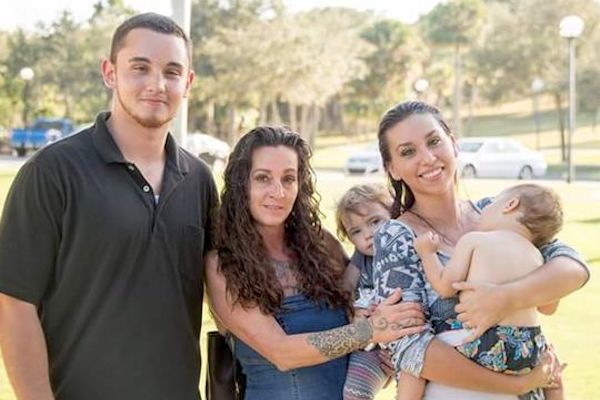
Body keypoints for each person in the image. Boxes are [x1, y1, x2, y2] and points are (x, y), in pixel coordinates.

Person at [0, 13, 218, 400]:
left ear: (188, 83)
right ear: (109, 72)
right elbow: (14, 302)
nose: (157, 84)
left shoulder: (199, 180)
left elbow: (227, 292)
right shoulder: (52, 172)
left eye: (171, 71)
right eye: (140, 68)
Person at [372, 100, 590, 400]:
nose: (428, 157)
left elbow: (572, 268)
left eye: (434, 141)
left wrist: (504, 297)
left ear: (454, 143)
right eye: (408, 152)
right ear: (392, 169)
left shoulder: (499, 212)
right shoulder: (397, 236)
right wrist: (516, 386)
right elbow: (410, 348)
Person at [205, 125, 426, 400]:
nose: (279, 192)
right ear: (242, 185)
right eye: (262, 178)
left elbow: (367, 305)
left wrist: (387, 356)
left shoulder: (321, 245)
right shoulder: (223, 266)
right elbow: (282, 353)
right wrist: (371, 330)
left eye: (289, 178)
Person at [408, 183, 565, 400]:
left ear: (510, 205)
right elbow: (548, 307)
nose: (484, 209)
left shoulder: (475, 240)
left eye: (492, 202)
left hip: (484, 344)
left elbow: (445, 287)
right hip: (528, 350)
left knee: (415, 358)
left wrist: (427, 253)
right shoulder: (538, 257)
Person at [334, 183, 396, 399]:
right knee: (353, 393)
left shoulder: (408, 246)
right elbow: (345, 289)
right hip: (372, 344)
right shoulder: (362, 258)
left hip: (410, 334)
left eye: (375, 222)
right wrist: (353, 312)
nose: (368, 235)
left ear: (394, 214)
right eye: (356, 231)